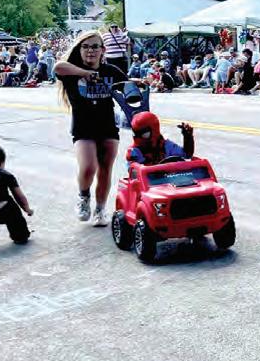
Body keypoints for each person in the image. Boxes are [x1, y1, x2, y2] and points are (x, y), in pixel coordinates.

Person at [55, 31, 126, 227]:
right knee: (88, 166)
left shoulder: (110, 71)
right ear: (79, 49)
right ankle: (84, 197)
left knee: (105, 169)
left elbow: (127, 87)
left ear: (103, 50)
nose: (90, 51)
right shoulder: (72, 72)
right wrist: (85, 73)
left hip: (108, 127)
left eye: (95, 46)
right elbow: (58, 67)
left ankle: (100, 209)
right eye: (85, 46)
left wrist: (138, 84)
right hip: (83, 129)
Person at [126, 112, 194, 166]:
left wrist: (188, 137)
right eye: (136, 134)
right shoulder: (134, 152)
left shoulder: (165, 146)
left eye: (143, 134)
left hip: (167, 178)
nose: (139, 138)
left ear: (154, 130)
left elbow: (187, 155)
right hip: (144, 179)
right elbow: (133, 171)